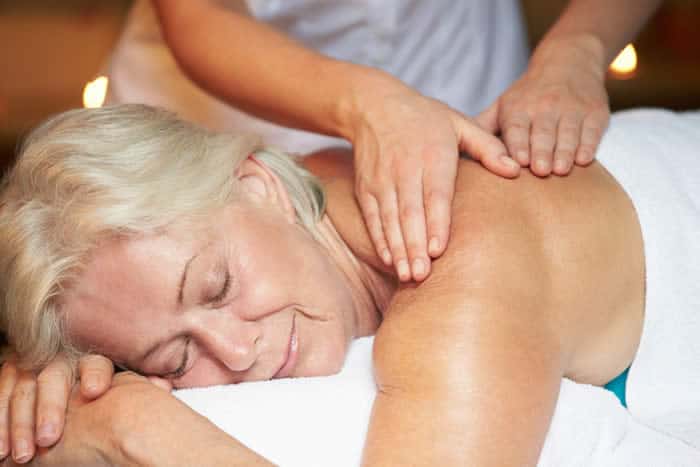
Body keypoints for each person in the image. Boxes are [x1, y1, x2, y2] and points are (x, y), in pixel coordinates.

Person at [1, 104, 699, 465]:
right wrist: (42, 378)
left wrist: (132, 430)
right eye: (174, 360)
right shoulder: (307, 189)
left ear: (261, 184)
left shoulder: (463, 263)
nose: (235, 353)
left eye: (215, 286)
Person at [105, 0, 663, 282]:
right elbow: (198, 13)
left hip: (460, 69)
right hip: (224, 104)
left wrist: (578, 50)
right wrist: (368, 106)